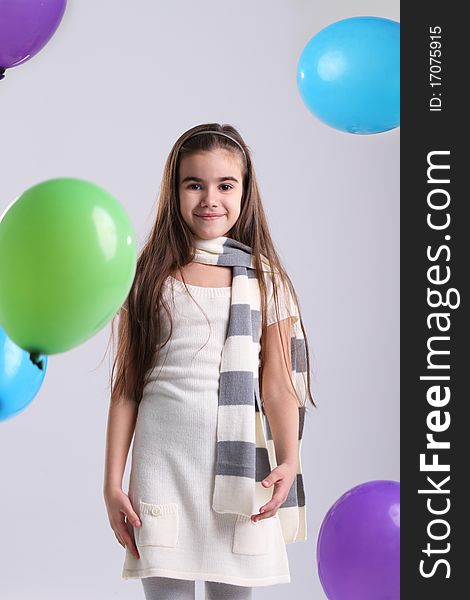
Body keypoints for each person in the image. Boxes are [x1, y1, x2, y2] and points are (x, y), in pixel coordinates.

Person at [103, 123, 316, 600]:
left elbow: (279, 386)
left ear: (244, 192)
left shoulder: (266, 280)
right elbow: (127, 385)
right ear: (175, 190)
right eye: (194, 184)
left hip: (239, 469)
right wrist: (111, 482)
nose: (209, 199)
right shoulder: (149, 276)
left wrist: (289, 458)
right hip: (163, 465)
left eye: (225, 185)